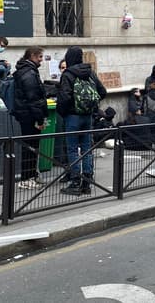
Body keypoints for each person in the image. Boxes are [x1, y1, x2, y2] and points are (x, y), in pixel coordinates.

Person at [57, 46, 107, 196]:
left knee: (72, 149)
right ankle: (87, 181)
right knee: (86, 148)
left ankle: (75, 182)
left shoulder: (68, 74)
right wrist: (91, 106)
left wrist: (63, 112)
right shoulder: (90, 72)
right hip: (88, 116)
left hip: (72, 116)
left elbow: (65, 97)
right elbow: (102, 92)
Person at [12, 47, 49, 190]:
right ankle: (27, 178)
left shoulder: (28, 70)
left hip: (26, 114)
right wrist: (39, 119)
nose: (41, 60)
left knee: (32, 146)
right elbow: (33, 99)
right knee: (30, 146)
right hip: (29, 115)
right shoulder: (29, 73)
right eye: (40, 57)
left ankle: (31, 175)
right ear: (32, 56)